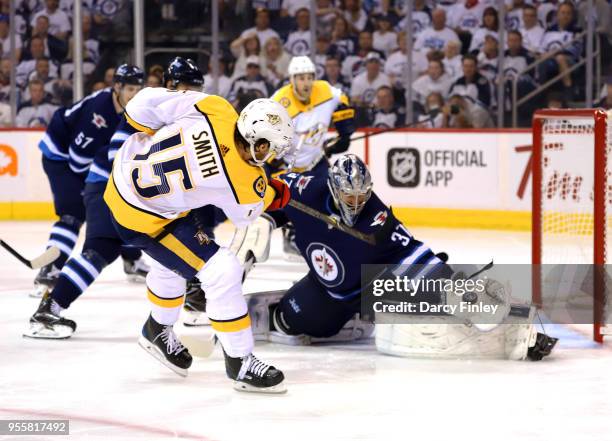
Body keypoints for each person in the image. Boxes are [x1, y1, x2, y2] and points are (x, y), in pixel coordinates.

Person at [240, 154, 557, 361]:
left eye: (362, 195)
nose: (356, 202)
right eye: (349, 196)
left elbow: (413, 253)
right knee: (288, 320)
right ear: (334, 191)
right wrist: (263, 227)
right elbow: (265, 191)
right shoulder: (307, 189)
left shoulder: (377, 218)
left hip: (373, 289)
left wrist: (452, 285)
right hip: (327, 292)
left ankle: (522, 331)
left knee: (442, 303)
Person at [104, 90, 293, 392]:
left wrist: (147, 129)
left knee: (174, 261)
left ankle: (157, 329)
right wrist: (272, 193)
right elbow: (246, 215)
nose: (272, 155)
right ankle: (240, 361)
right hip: (144, 217)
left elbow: (140, 105)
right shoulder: (245, 181)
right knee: (222, 271)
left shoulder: (215, 107)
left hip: (124, 175)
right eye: (270, 148)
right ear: (257, 144)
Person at [26, 65, 145, 338]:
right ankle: (51, 268)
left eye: (138, 89)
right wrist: (90, 189)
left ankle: (131, 258)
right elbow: (78, 158)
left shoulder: (130, 109)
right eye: (129, 88)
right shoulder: (99, 111)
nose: (134, 94)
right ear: (117, 88)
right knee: (72, 214)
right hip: (60, 157)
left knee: (114, 222)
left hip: (85, 164)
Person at [272, 55, 356, 175]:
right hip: (286, 168)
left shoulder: (325, 90)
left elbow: (342, 98)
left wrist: (344, 130)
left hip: (317, 163)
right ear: (292, 80)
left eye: (310, 78)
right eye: (301, 78)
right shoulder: (279, 102)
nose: (307, 83)